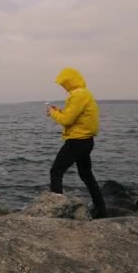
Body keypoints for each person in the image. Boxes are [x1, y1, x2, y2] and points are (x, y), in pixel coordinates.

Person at [47, 67, 107, 218]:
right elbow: (74, 116)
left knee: (56, 172)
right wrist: (60, 111)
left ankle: (56, 212)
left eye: (63, 83)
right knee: (86, 175)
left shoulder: (78, 96)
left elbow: (67, 120)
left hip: (77, 142)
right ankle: (101, 210)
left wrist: (53, 113)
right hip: (86, 141)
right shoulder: (84, 93)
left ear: (69, 82)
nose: (63, 87)